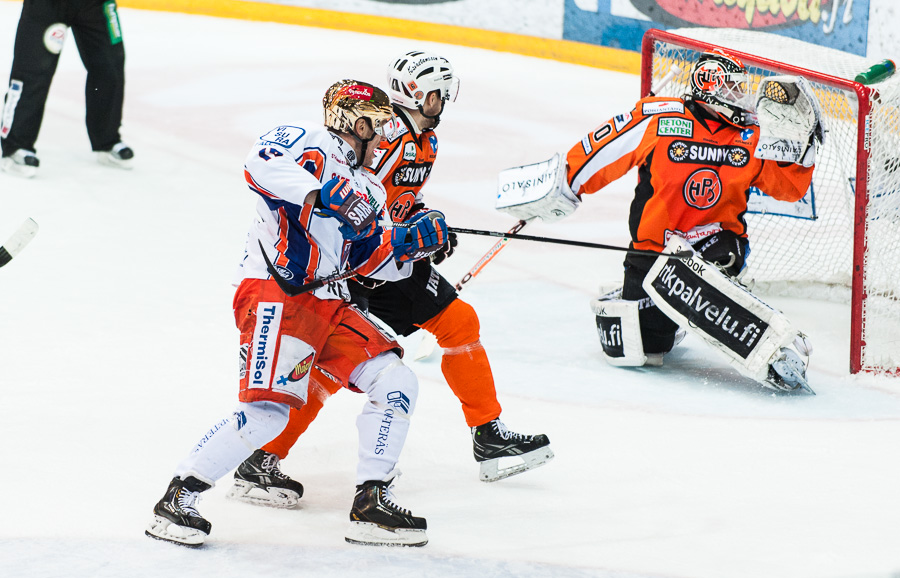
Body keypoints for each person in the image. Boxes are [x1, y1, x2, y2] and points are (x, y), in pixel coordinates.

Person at [226, 52, 554, 509]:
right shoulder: (389, 136)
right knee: (329, 369)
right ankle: (262, 457)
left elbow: (398, 201)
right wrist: (403, 239)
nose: (443, 99)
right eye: (437, 90)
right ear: (416, 93)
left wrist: (423, 224)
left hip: (388, 260)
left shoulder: (426, 142)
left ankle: (487, 435)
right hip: (361, 268)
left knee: (456, 324)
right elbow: (357, 207)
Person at [145, 79, 449, 548]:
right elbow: (257, 166)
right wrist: (322, 193)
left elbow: (372, 264)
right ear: (356, 122)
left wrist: (411, 247)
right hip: (275, 294)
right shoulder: (305, 139)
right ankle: (178, 499)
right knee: (266, 415)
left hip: (328, 303)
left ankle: (371, 503)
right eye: (381, 125)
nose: (387, 136)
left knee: (395, 381)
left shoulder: (369, 185)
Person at [501, 49, 822, 392]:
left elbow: (788, 188)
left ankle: (771, 345)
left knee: (711, 259)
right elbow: (601, 151)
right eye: (730, 86)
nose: (739, 95)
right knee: (646, 349)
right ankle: (668, 316)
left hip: (713, 243)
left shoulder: (751, 135)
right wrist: (563, 185)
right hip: (653, 251)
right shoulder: (658, 119)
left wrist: (802, 145)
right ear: (708, 83)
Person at [0, 0, 134, 177]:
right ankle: (16, 146)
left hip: (96, 4)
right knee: (33, 72)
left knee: (110, 67)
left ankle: (107, 140)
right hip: (47, 5)